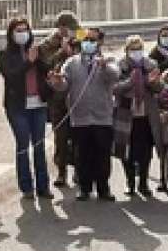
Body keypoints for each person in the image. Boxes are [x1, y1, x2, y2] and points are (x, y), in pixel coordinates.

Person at [50, 27, 120, 201]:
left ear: (99, 43)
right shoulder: (72, 63)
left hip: (102, 116)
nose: (89, 43)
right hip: (80, 117)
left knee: (102, 153)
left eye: (93, 40)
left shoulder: (108, 60)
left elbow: (115, 76)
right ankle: (84, 187)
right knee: (82, 154)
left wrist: (104, 67)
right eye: (86, 40)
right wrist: (57, 81)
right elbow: (64, 85)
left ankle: (104, 187)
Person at [0, 16, 52, 198]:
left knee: (39, 145)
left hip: (39, 104)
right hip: (18, 106)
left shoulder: (37, 50)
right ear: (11, 34)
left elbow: (47, 69)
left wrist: (37, 59)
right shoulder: (5, 54)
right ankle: (26, 187)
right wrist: (27, 61)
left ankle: (43, 186)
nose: (23, 34)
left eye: (25, 30)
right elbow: (11, 77)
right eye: (18, 30)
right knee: (23, 145)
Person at [113, 34, 164, 198]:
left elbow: (159, 88)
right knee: (126, 149)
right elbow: (115, 88)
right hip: (127, 113)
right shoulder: (119, 66)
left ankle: (143, 182)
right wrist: (131, 82)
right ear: (127, 51)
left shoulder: (151, 64)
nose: (136, 52)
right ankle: (130, 183)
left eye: (139, 49)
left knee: (145, 150)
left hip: (146, 113)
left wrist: (151, 82)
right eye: (133, 49)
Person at [39, 10, 80, 190]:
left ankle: (80, 170)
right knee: (61, 135)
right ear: (60, 28)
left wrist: (75, 50)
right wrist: (61, 52)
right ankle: (61, 171)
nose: (70, 31)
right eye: (66, 28)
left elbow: (93, 54)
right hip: (58, 97)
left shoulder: (82, 37)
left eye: (73, 28)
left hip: (80, 94)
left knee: (80, 135)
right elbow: (45, 63)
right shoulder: (48, 43)